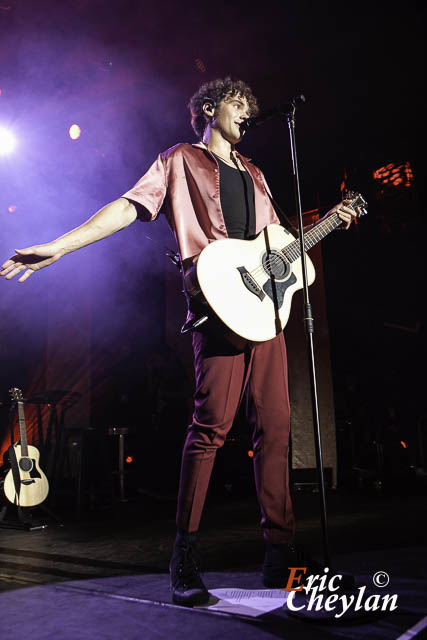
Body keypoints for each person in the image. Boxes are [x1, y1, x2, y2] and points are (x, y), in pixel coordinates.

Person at [1, 77, 358, 607]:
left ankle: (280, 554)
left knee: (277, 429)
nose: (248, 112)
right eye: (239, 104)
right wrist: (60, 246)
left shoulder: (257, 175)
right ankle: (185, 554)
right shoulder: (179, 160)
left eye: (250, 107)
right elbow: (129, 206)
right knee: (210, 428)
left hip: (266, 317)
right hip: (217, 308)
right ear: (210, 109)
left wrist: (330, 222)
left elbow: (281, 246)